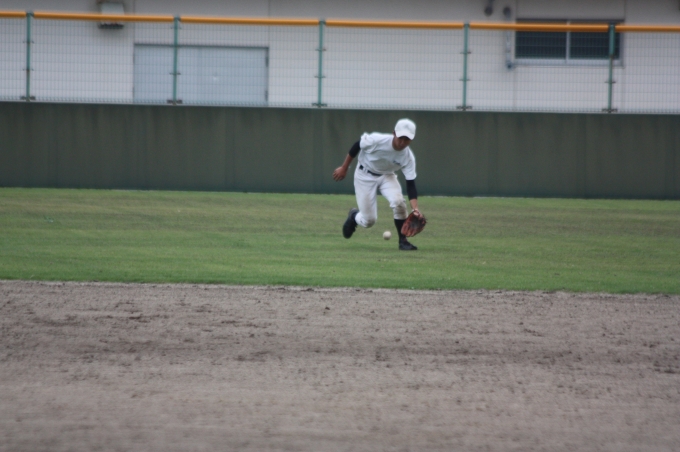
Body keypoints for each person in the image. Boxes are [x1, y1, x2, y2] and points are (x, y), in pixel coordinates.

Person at [332, 118, 423, 251]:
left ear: (412, 139)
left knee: (399, 202)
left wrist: (415, 210)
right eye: (400, 138)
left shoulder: (408, 157)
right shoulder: (377, 140)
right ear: (394, 133)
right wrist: (344, 168)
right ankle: (354, 216)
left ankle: (403, 241)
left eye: (407, 139)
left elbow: (411, 184)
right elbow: (357, 145)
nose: (403, 142)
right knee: (368, 221)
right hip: (365, 175)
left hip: (387, 176)